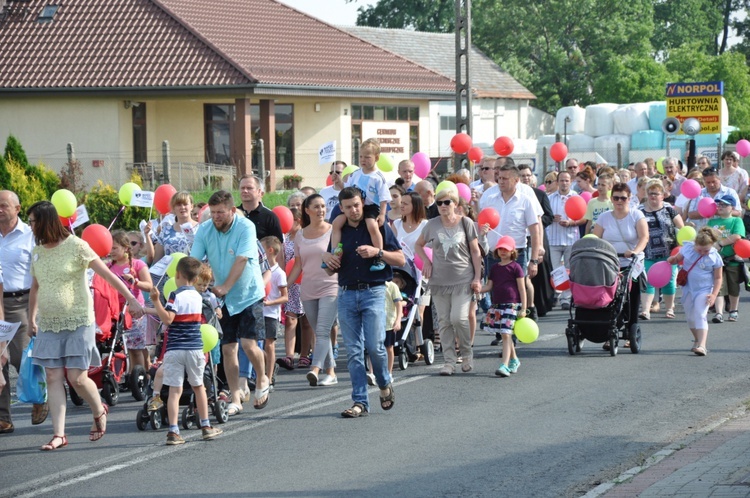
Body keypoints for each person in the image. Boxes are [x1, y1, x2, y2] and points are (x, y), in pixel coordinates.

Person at [26, 201, 145, 450]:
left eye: (33, 221)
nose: (30, 226)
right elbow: (36, 287)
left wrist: (132, 299)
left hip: (78, 321)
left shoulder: (76, 246)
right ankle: (59, 434)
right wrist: (31, 319)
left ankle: (98, 408)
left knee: (77, 378)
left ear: (46, 221)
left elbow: (108, 275)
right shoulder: (36, 252)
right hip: (49, 323)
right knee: (53, 376)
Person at [322, 187, 404, 418]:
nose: (354, 210)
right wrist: (326, 258)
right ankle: (360, 402)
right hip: (346, 293)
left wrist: (377, 252)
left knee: (376, 347)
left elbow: (400, 258)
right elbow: (329, 270)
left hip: (374, 291)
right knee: (354, 352)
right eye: (348, 207)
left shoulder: (377, 224)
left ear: (362, 203)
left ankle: (384, 383)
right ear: (341, 208)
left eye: (356, 205)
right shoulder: (338, 230)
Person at [190, 190, 269, 415]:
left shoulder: (246, 227)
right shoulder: (204, 230)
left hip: (248, 294)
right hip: (223, 299)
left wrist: (225, 287)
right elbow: (194, 261)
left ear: (232, 211)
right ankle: (235, 397)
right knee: (228, 349)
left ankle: (262, 377)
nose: (216, 217)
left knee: (248, 344)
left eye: (221, 213)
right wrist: (188, 286)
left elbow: (242, 259)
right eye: (213, 213)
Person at [148, 256, 223, 445]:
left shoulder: (175, 295)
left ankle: (173, 431)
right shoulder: (198, 297)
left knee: (175, 390)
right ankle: (206, 426)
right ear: (197, 278)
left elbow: (168, 319)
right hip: (195, 348)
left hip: (175, 349)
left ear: (177, 274)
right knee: (199, 387)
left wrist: (156, 301)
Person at [415, 187, 483, 376]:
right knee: (444, 322)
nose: (443, 206)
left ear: (455, 204)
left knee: (459, 318)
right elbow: (418, 245)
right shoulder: (432, 225)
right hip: (439, 281)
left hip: (463, 278)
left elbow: (476, 252)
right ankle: (449, 361)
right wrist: (427, 261)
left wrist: (477, 278)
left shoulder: (466, 223)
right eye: (439, 203)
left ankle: (467, 353)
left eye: (447, 202)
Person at [0, 190, 45, 434]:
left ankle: (39, 398)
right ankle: (3, 418)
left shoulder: (30, 236)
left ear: (17, 209)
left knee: (21, 358)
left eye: (4, 205)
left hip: (21, 301)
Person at [288, 194, 339, 387]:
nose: (321, 210)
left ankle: (315, 369)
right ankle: (331, 372)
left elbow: (340, 255)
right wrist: (284, 286)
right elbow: (298, 265)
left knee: (323, 329)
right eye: (316, 207)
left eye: (323, 206)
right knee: (320, 332)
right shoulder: (300, 235)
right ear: (307, 210)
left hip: (330, 286)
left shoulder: (333, 231)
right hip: (308, 289)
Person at [592, 183, 648, 348]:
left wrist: (635, 251)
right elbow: (596, 239)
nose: (619, 201)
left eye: (623, 198)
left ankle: (631, 329)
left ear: (629, 199)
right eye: (616, 197)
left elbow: (644, 237)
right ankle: (611, 330)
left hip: (631, 262)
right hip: (610, 262)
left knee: (631, 296)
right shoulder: (604, 217)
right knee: (610, 298)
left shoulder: (636, 215)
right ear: (611, 198)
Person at [329, 138, 390, 272]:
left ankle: (378, 256)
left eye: (367, 157)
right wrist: (339, 182)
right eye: (361, 156)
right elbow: (347, 190)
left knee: (372, 225)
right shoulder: (355, 174)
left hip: (370, 207)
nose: (363, 160)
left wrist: (382, 214)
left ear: (377, 157)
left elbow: (384, 198)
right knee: (336, 223)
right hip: (354, 205)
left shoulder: (378, 177)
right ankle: (335, 253)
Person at [667, 227, 723, 356]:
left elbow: (718, 277)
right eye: (699, 250)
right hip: (688, 288)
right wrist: (672, 260)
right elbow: (676, 258)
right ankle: (697, 339)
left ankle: (702, 345)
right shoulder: (687, 248)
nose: (702, 252)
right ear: (695, 244)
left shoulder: (715, 257)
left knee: (700, 313)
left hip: (704, 289)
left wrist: (714, 294)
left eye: (706, 250)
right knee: (690, 318)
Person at [107, 231, 153, 378]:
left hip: (135, 312)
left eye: (114, 248)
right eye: (110, 248)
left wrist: (135, 281)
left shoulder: (138, 264)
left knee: (136, 349)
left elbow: (149, 286)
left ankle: (138, 378)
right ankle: (130, 376)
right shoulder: (108, 267)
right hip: (116, 312)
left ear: (126, 248)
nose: (111, 251)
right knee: (122, 348)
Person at [639, 179, 684, 320]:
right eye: (651, 193)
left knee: (669, 281)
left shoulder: (670, 209)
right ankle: (646, 310)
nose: (653, 196)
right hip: (647, 252)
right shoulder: (639, 211)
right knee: (647, 280)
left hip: (668, 253)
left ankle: (670, 308)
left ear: (662, 195)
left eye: (656, 194)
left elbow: (682, 229)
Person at [481, 236, 525, 377]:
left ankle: (504, 365)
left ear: (512, 251)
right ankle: (514, 360)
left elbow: (522, 288)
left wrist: (523, 308)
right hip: (497, 304)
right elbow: (489, 286)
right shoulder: (494, 268)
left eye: (506, 249)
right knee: (505, 333)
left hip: (512, 304)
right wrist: (477, 289)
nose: (503, 251)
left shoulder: (516, 267)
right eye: (500, 248)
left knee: (506, 333)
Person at [546, 171, 582, 309]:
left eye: (567, 180)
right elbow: (543, 216)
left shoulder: (576, 197)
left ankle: (566, 298)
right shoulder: (550, 198)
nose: (564, 183)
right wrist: (551, 218)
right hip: (553, 240)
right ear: (557, 181)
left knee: (569, 270)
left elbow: (584, 218)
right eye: (561, 180)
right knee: (556, 270)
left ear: (571, 181)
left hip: (571, 239)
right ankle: (556, 293)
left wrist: (571, 222)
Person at [707, 195, 745, 323]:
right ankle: (719, 312)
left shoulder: (736, 221)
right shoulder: (712, 222)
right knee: (719, 286)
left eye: (724, 205)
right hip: (716, 260)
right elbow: (707, 237)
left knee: (733, 286)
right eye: (719, 205)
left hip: (732, 258)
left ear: (732, 207)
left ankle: (733, 310)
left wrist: (720, 243)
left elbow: (737, 236)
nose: (721, 207)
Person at [277, 208, 304, 370]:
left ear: (298, 221)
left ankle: (306, 354)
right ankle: (289, 356)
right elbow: (281, 262)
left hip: (305, 282)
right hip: (290, 283)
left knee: (307, 322)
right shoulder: (284, 240)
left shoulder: (304, 237)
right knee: (290, 320)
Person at [238, 174, 284, 266]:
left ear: (260, 192)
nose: (245, 191)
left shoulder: (269, 216)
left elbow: (278, 249)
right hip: (236, 267)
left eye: (249, 188)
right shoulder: (234, 214)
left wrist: (279, 276)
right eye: (242, 188)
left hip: (262, 270)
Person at [145, 191, 200, 270]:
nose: (182, 207)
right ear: (173, 208)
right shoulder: (166, 230)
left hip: (192, 277)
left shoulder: (201, 229)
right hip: (169, 278)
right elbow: (157, 261)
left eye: (185, 204)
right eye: (178, 204)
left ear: (191, 206)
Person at [260, 236, 288, 387]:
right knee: (256, 345)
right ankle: (263, 372)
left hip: (270, 313)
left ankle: (269, 377)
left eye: (262, 248)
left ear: (270, 250)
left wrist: (270, 302)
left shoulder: (279, 273)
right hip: (258, 312)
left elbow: (285, 297)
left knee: (269, 345)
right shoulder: (260, 269)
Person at [383, 277, 404, 374]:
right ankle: (372, 372)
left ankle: (389, 372)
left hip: (389, 323)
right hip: (375, 322)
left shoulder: (392, 286)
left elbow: (399, 304)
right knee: (372, 348)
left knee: (389, 348)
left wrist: (398, 320)